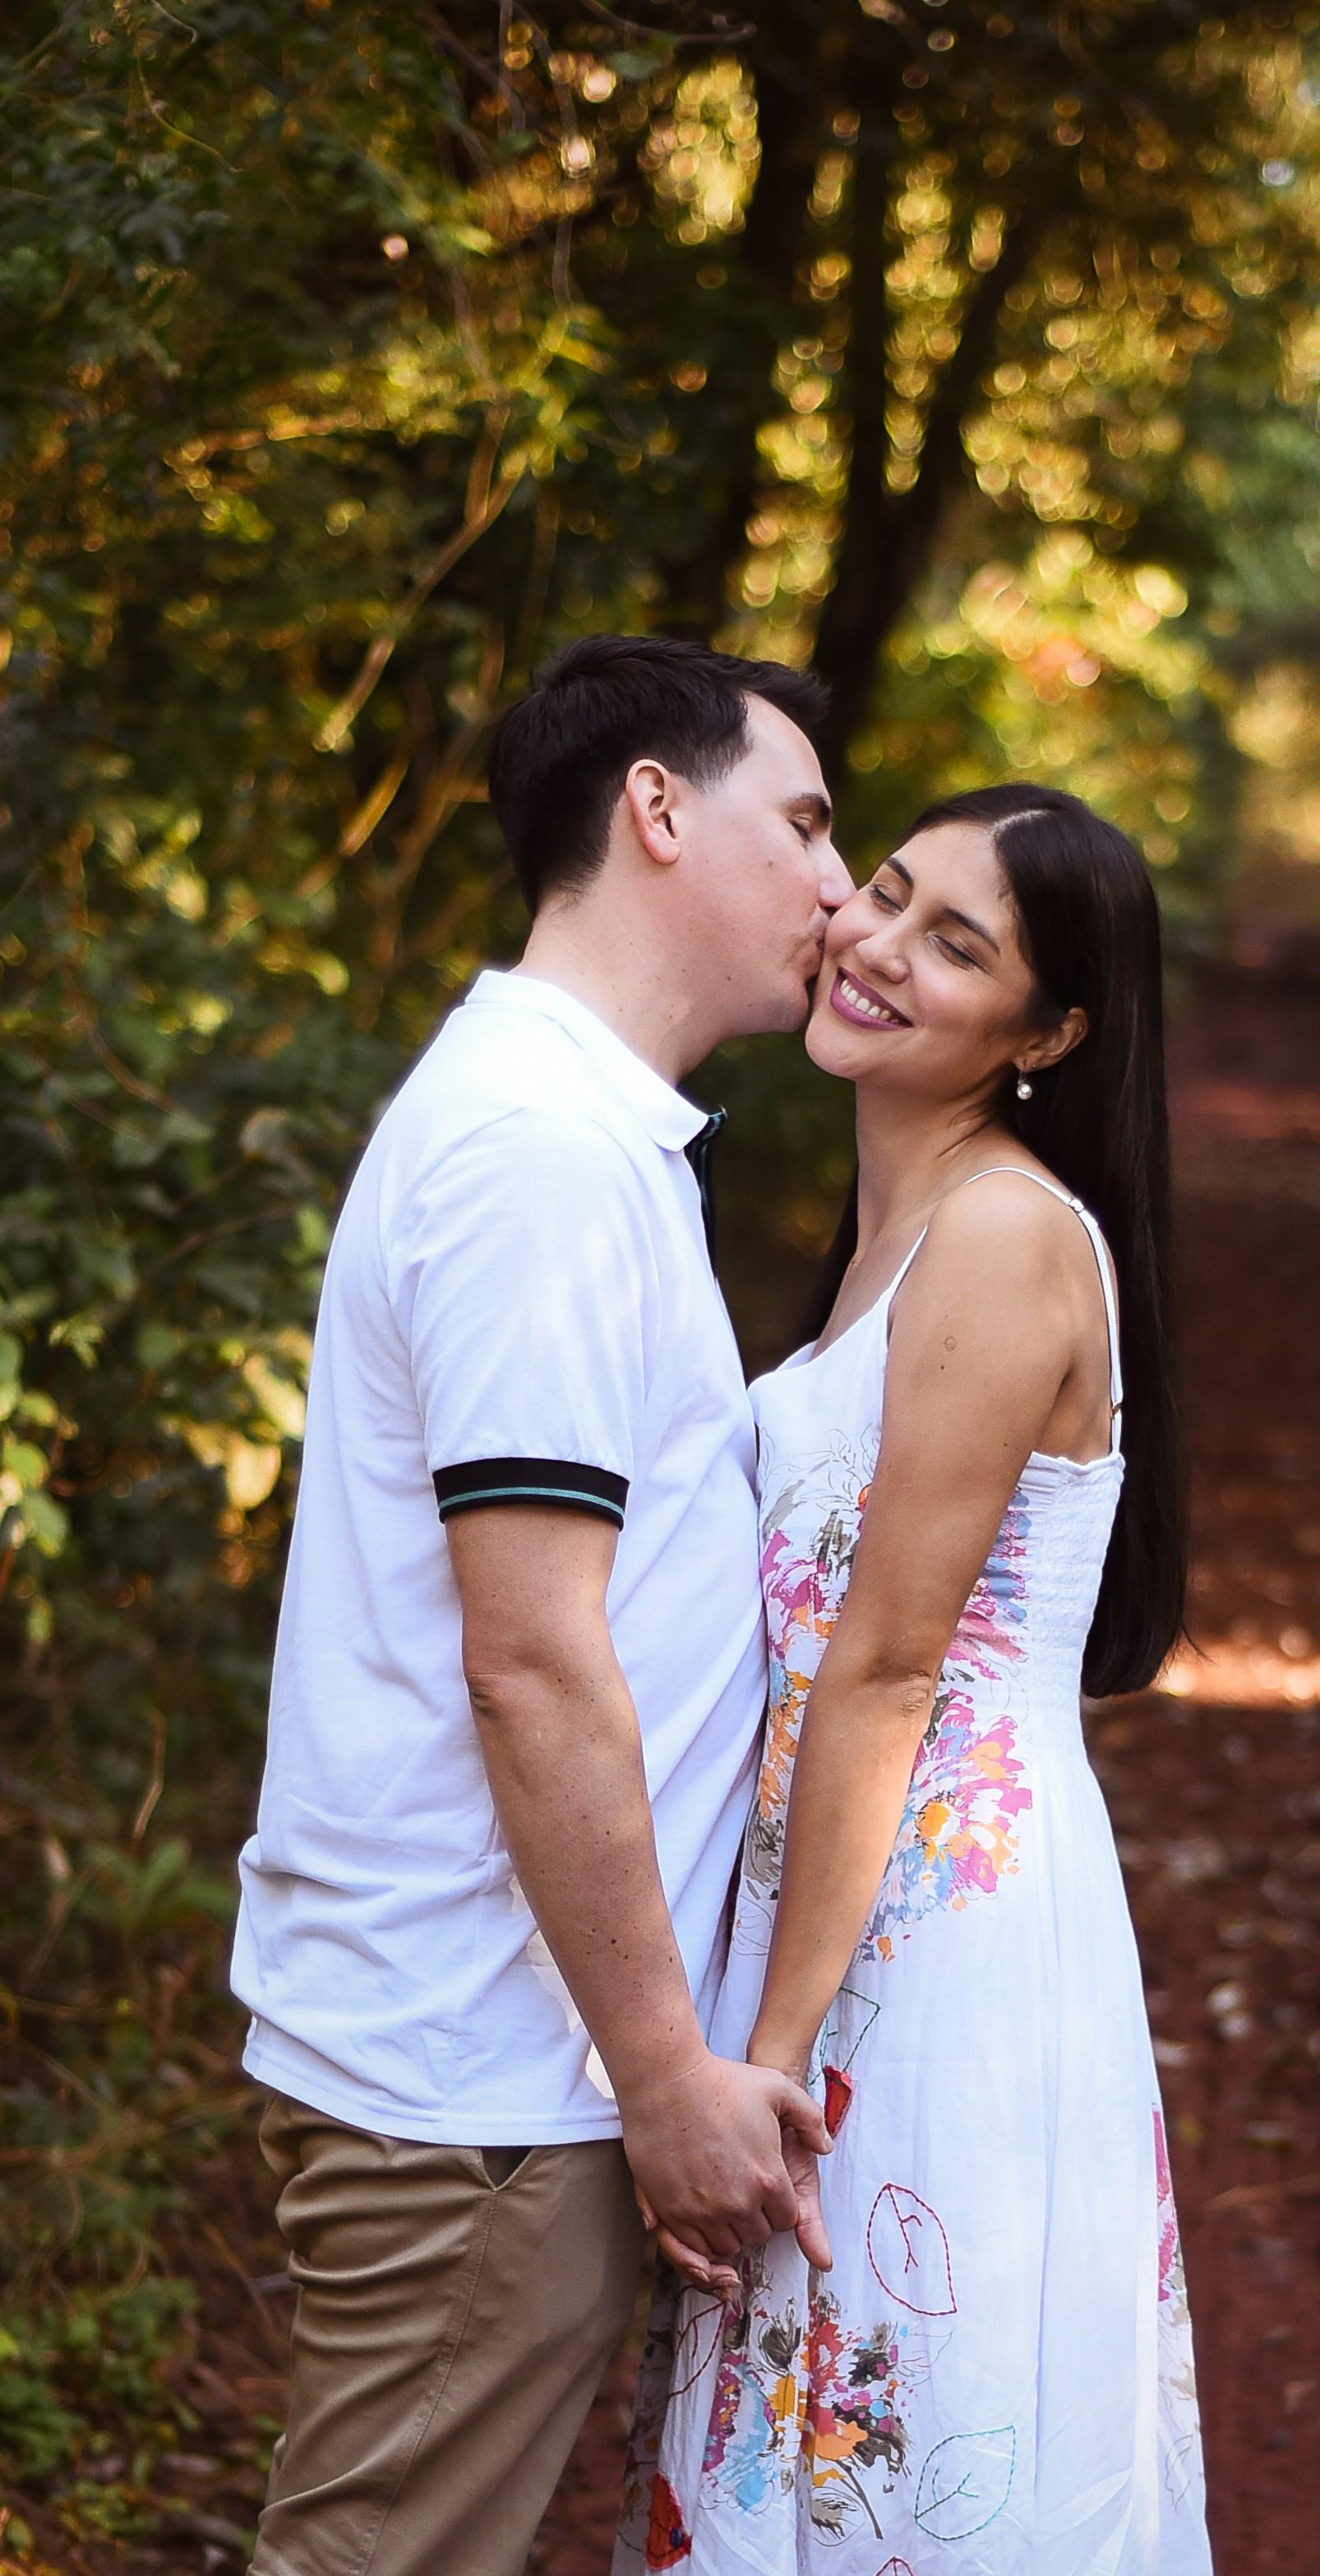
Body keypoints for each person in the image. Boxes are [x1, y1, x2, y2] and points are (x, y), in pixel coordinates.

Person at [228, 634, 855, 2576]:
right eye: (811, 821)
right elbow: (533, 1655)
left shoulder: (580, 1128)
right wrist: (662, 2071)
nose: (843, 887)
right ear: (657, 810)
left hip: (491, 2062)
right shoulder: (540, 1154)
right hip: (478, 2073)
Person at [616, 786, 1211, 2574]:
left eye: (957, 942)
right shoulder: (893, 1231)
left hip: (938, 1939)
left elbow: (881, 1671)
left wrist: (767, 2059)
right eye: (886, 891)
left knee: (924, 2440)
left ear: (1047, 1033)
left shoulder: (1009, 1235)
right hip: (837, 1898)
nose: (877, 943)